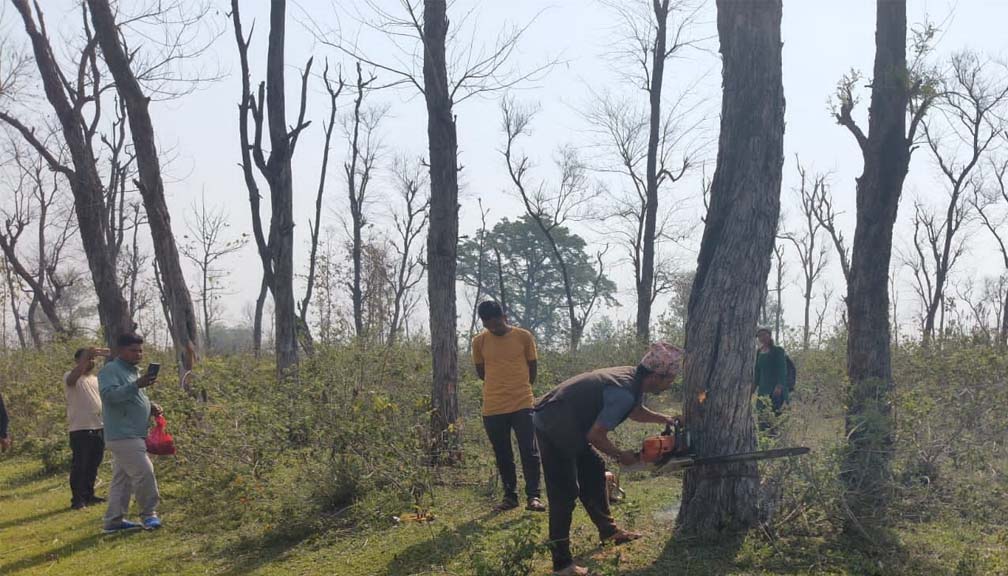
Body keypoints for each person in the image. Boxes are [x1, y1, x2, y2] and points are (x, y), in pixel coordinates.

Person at [532, 342, 684, 576]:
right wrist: (622, 456)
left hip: (568, 422)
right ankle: (562, 565)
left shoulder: (631, 379)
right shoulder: (624, 390)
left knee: (594, 468)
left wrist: (665, 419)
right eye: (670, 379)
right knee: (564, 493)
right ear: (656, 375)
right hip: (554, 424)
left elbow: (635, 411)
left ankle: (608, 531)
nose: (670, 384)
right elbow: (596, 434)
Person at [472, 300, 545, 512]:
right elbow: (481, 372)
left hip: (522, 402)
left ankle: (534, 497)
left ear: (504, 317)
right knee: (503, 454)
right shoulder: (479, 342)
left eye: (496, 323)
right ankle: (510, 497)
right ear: (484, 324)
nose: (493, 328)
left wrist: (520, 388)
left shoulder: (524, 336)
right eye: (488, 325)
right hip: (493, 406)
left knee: (529, 451)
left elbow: (533, 367)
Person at [99, 332, 164, 532]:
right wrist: (137, 385)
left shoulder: (133, 371)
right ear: (120, 350)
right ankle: (149, 514)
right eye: (133, 350)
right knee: (144, 472)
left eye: (140, 350)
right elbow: (110, 396)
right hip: (123, 434)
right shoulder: (111, 370)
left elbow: (132, 395)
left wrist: (149, 405)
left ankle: (114, 521)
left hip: (134, 433)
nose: (138, 354)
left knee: (122, 480)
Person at [65, 347, 110, 509]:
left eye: (93, 359)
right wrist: (86, 356)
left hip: (99, 426)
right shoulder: (71, 377)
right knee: (80, 465)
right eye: (87, 359)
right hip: (80, 428)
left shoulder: (96, 379)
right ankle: (77, 500)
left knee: (93, 464)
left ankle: (89, 495)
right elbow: (71, 379)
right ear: (79, 361)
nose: (91, 361)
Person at [752, 327, 789, 432]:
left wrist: (779, 386)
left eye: (764, 334)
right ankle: (764, 440)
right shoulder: (759, 352)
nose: (762, 338)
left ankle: (775, 441)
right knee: (762, 416)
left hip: (776, 390)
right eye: (759, 336)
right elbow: (757, 372)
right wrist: (753, 388)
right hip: (763, 390)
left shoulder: (778, 350)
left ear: (769, 335)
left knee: (774, 417)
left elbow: (782, 370)